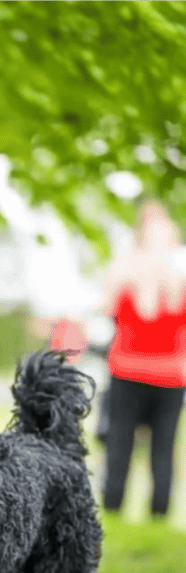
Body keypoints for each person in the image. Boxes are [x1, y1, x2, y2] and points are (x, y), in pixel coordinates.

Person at [101, 200, 186, 517]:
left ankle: (127, 506)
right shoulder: (132, 272)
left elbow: (109, 311)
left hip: (148, 373)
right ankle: (145, 509)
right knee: (149, 446)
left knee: (131, 443)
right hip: (141, 371)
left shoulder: (166, 276)